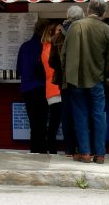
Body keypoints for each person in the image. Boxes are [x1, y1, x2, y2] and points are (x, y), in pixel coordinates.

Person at [61, 0, 109, 164]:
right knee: (99, 115)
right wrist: (103, 74)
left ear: (87, 10)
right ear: (104, 13)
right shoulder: (107, 30)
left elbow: (64, 55)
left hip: (76, 80)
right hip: (97, 79)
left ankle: (85, 153)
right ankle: (100, 155)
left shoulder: (75, 26)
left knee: (80, 115)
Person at [50, 5, 85, 157]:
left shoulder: (57, 37)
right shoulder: (83, 32)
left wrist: (61, 69)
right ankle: (81, 147)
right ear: (82, 17)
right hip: (82, 79)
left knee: (66, 114)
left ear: (67, 16)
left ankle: (69, 149)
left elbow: (52, 62)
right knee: (81, 112)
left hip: (64, 80)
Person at [18, 19, 49, 153]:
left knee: (33, 121)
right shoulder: (45, 47)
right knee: (42, 122)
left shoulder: (24, 46)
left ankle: (34, 150)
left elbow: (19, 69)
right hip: (42, 88)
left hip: (27, 89)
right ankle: (41, 149)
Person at [41, 23, 62, 155]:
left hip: (52, 89)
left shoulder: (46, 48)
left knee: (55, 121)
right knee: (56, 121)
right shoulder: (50, 50)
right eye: (59, 30)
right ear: (52, 32)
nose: (62, 32)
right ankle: (52, 148)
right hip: (56, 88)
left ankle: (51, 148)